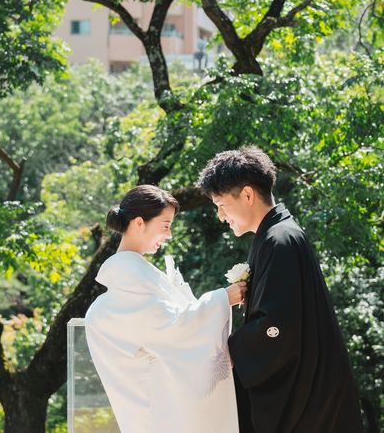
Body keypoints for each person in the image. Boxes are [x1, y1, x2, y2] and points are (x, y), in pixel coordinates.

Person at [196, 146, 363, 433]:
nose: (221, 216)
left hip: (312, 400)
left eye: (221, 205)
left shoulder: (280, 240)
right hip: (315, 388)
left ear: (247, 195)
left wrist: (224, 349)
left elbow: (277, 327)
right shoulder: (276, 234)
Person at [85, 184, 245, 433]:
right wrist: (222, 299)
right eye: (166, 225)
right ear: (139, 223)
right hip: (157, 412)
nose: (169, 235)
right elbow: (172, 329)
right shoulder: (130, 280)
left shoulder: (135, 276)